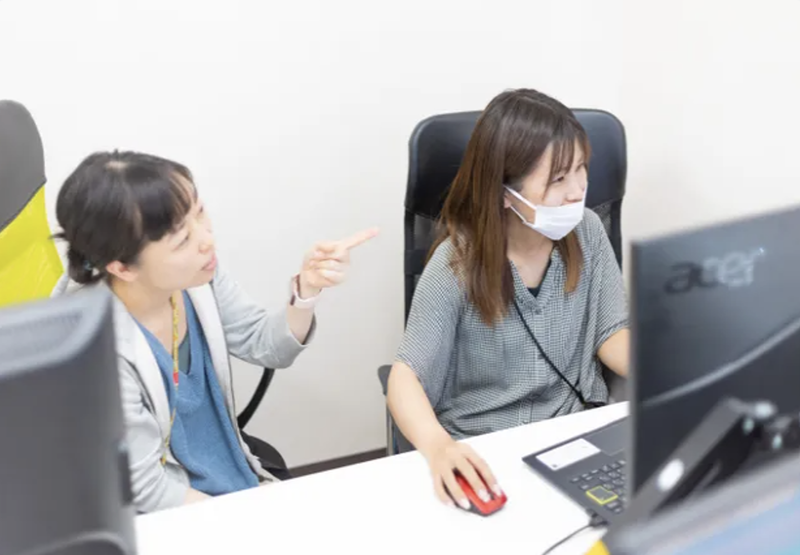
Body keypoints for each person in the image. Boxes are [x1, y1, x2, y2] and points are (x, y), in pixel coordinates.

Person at [51, 151, 377, 513]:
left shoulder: (196, 278)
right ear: (123, 268)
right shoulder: (96, 350)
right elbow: (145, 490)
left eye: (200, 212)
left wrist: (307, 290)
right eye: (181, 240)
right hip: (168, 513)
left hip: (232, 476)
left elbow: (267, 346)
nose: (206, 239)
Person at [386, 89, 629, 510]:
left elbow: (611, 333)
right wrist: (439, 448)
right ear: (504, 191)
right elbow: (406, 377)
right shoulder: (457, 261)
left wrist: (675, 369)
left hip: (570, 437)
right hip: (486, 447)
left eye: (581, 169)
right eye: (558, 179)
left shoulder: (587, 231)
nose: (578, 191)